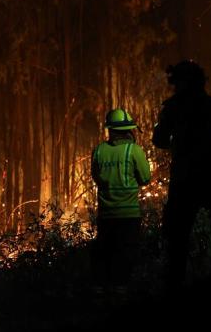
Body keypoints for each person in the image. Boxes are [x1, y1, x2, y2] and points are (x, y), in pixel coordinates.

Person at [152, 60, 211, 287]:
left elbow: (159, 140)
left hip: (185, 179)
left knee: (178, 237)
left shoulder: (173, 107)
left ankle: (175, 285)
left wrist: (177, 140)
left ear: (178, 82)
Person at [91, 108, 151, 298]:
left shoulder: (99, 150)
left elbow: (96, 178)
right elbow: (145, 178)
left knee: (105, 255)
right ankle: (120, 296)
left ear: (110, 130)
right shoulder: (134, 150)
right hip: (128, 215)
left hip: (106, 214)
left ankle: (101, 295)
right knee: (125, 255)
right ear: (129, 131)